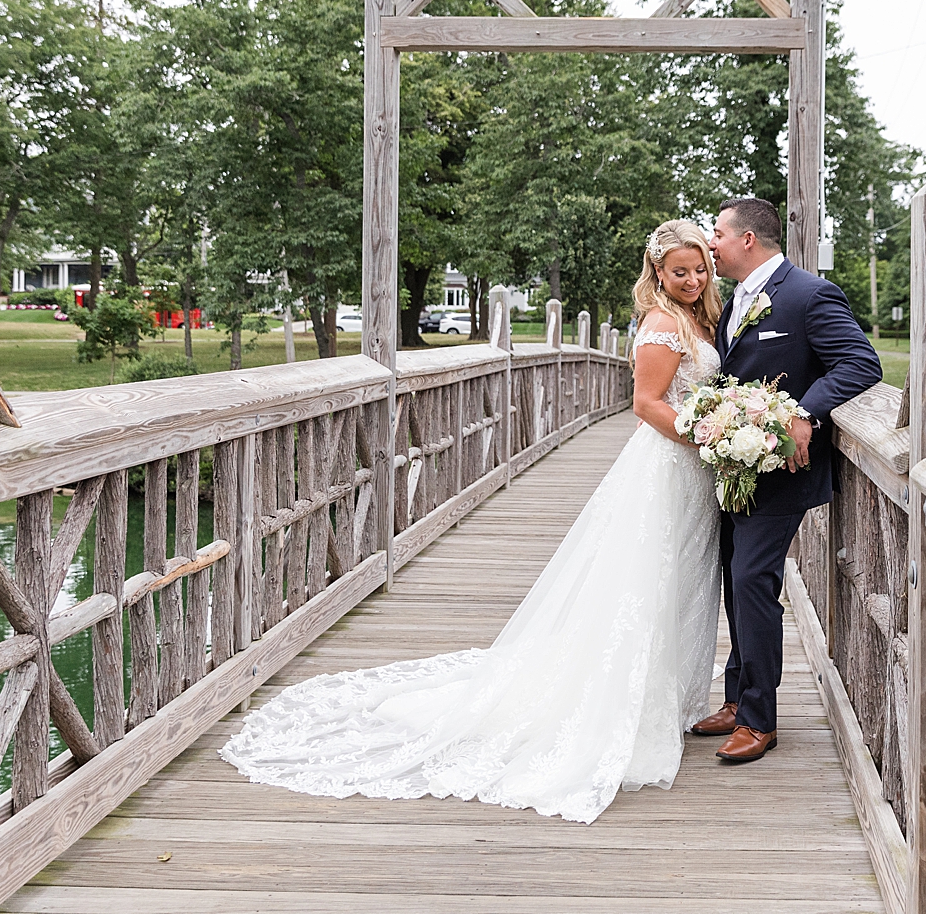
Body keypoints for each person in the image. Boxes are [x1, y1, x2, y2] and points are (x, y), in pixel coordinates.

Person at [220, 219, 727, 823]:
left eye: (700, 270)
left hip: (694, 472)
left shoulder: (699, 320)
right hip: (671, 463)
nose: (693, 280)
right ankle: (624, 706)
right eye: (680, 272)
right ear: (657, 274)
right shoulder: (663, 324)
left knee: (681, 583)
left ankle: (664, 697)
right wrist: (707, 435)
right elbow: (646, 404)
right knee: (647, 582)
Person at [691, 197, 883, 763]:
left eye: (717, 235)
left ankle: (759, 719)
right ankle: (736, 699)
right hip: (735, 468)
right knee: (735, 579)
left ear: (747, 239)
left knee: (752, 579)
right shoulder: (733, 303)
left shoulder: (809, 295)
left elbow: (859, 362)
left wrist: (805, 411)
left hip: (783, 470)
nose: (711, 245)